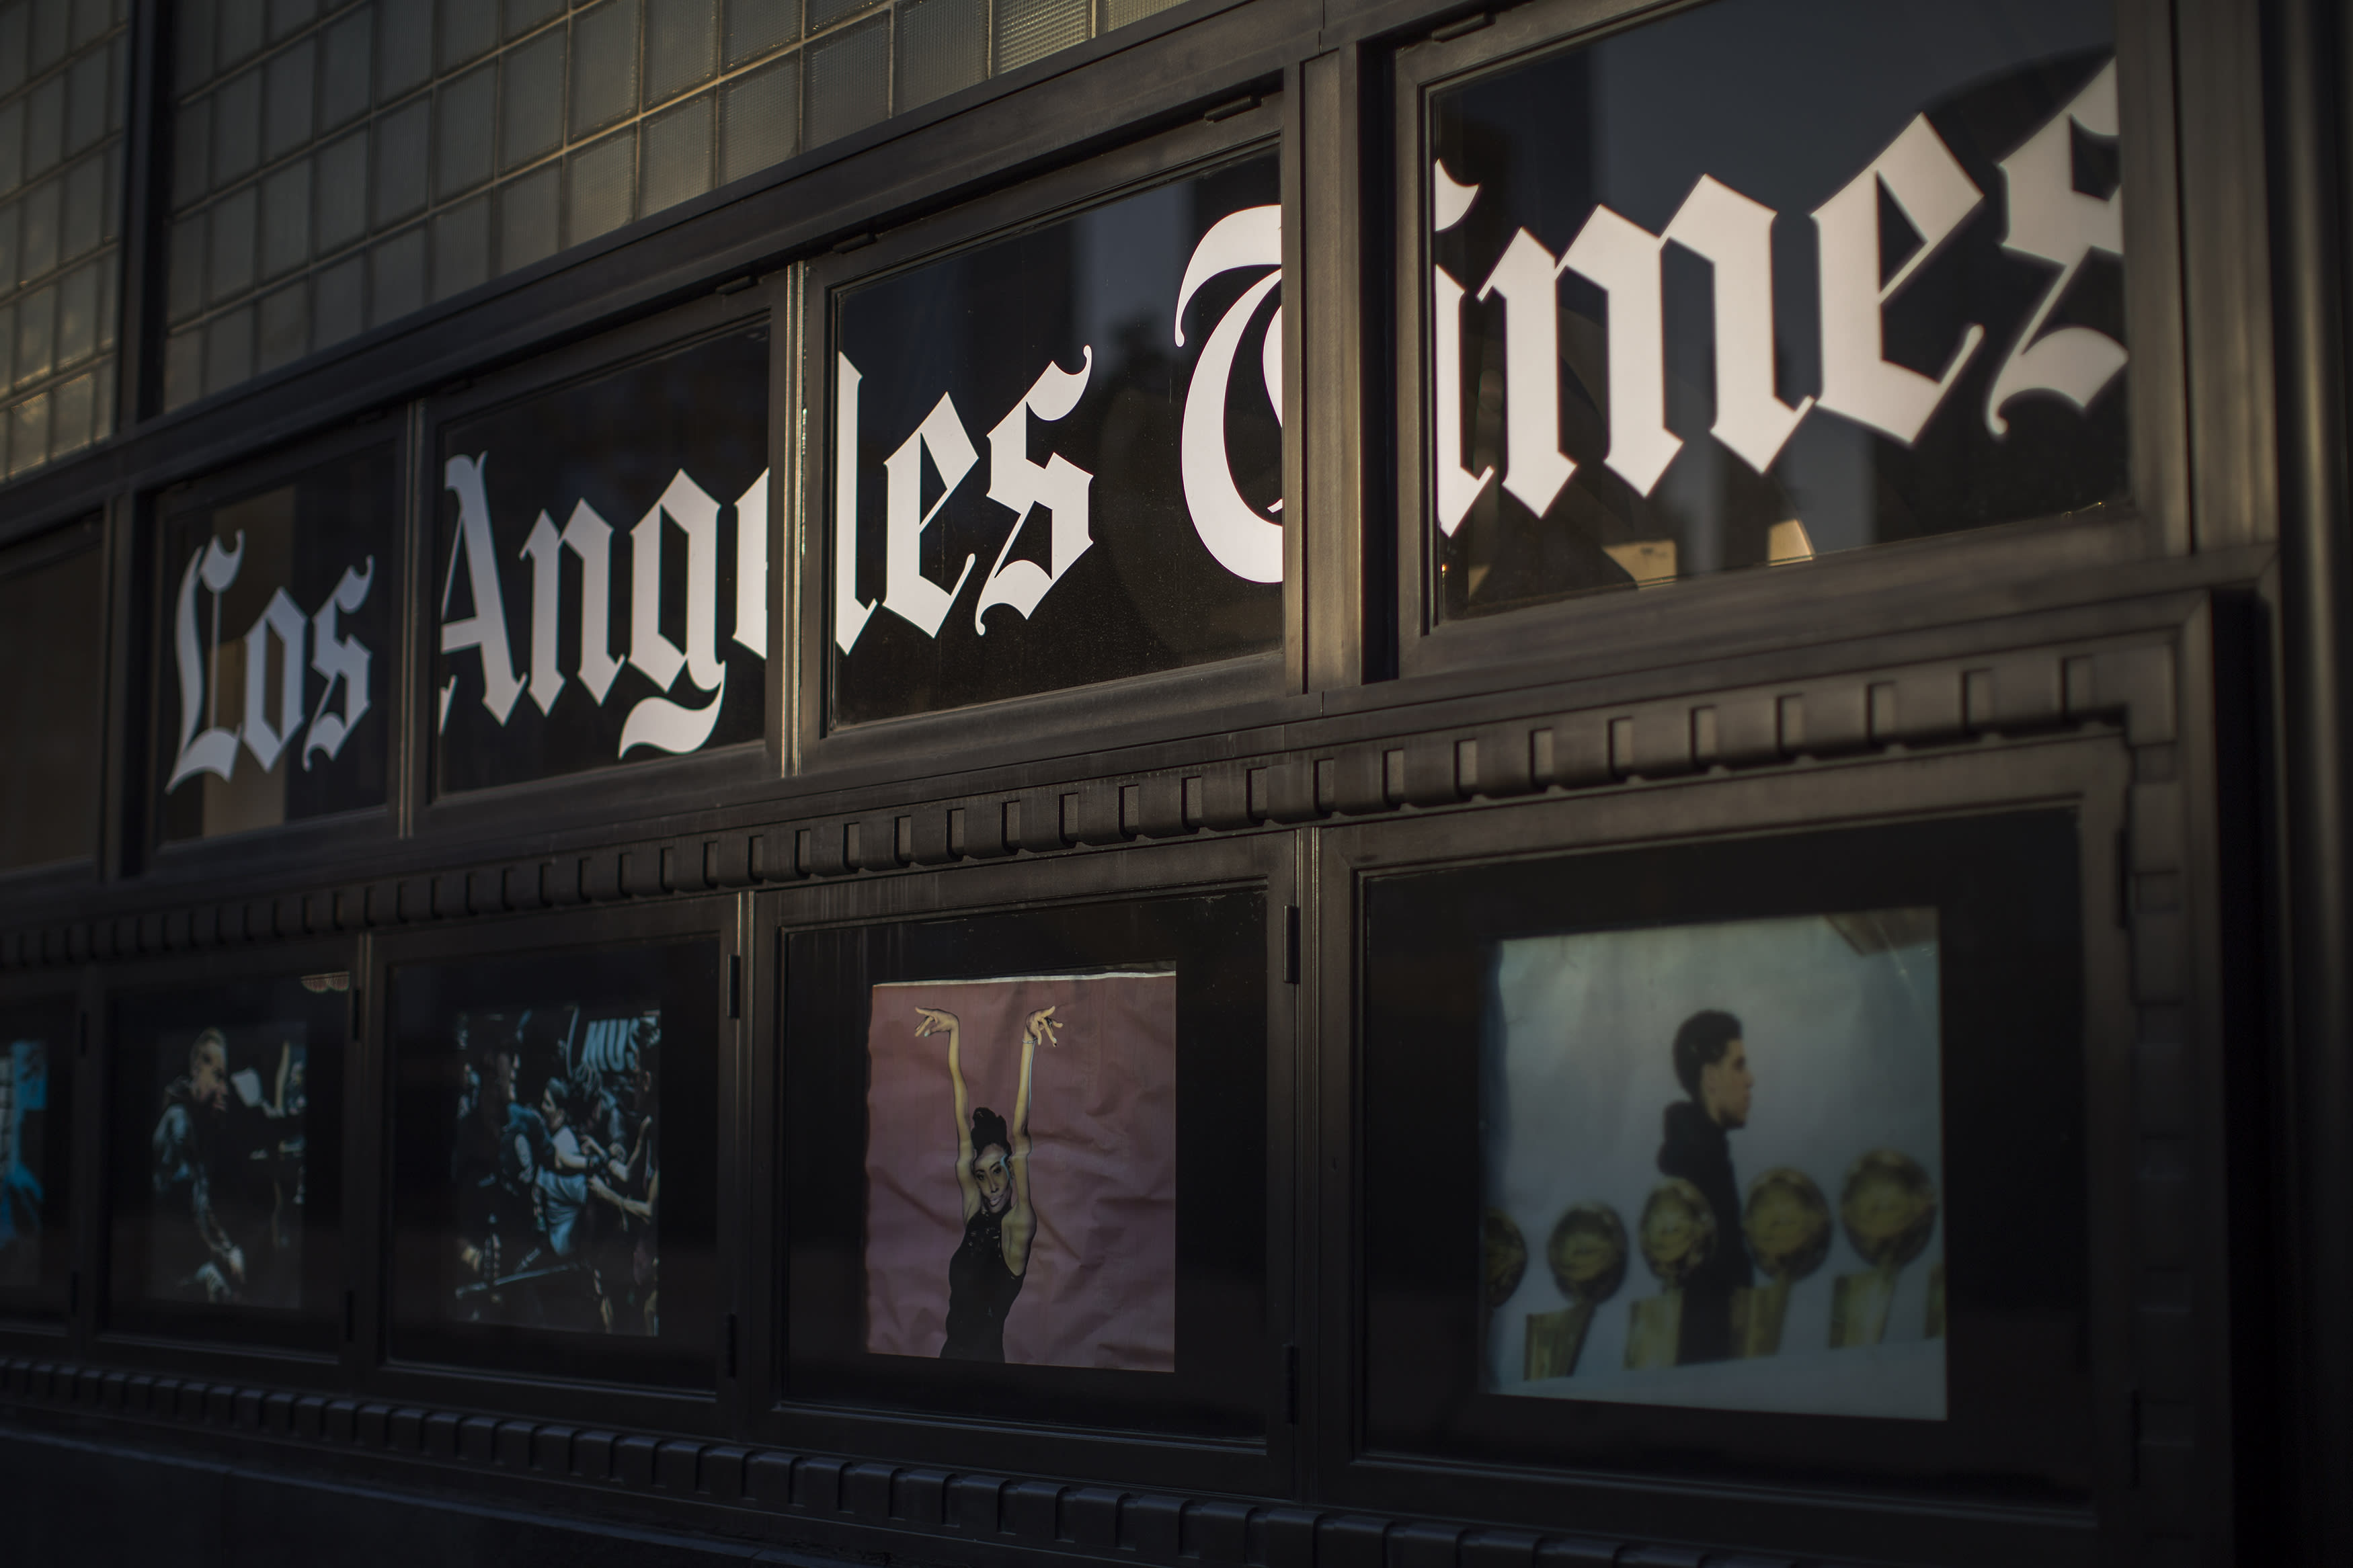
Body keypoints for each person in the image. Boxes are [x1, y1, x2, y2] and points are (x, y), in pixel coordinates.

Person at [916, 1002, 1059, 1361]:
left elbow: (1020, 1132)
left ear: (1012, 1169)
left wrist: (1028, 1040)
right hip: (948, 1359)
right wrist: (956, 1031)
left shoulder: (1017, 1227)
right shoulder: (973, 1215)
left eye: (998, 1171)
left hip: (985, 1368)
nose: (991, 1185)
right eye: (981, 1175)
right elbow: (961, 1120)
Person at [1655, 1009, 1755, 1362]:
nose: (1750, 1079)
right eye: (1739, 1066)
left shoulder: (1703, 1154)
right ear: (1711, 1078)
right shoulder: (1702, 1167)